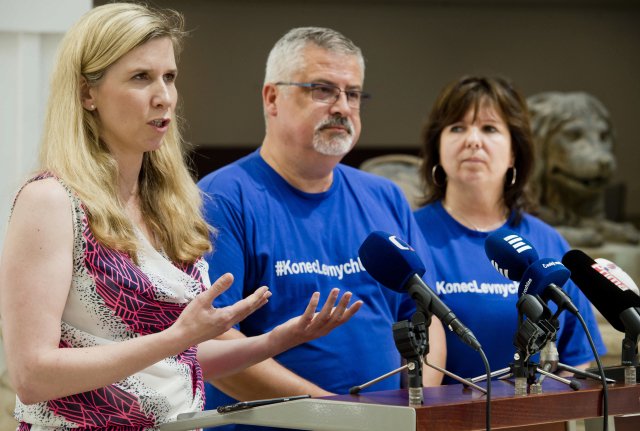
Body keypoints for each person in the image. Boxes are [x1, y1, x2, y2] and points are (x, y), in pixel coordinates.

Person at [0, 4, 361, 430]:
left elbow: (176, 361)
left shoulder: (170, 204)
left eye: (169, 77)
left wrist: (276, 340)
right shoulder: (51, 201)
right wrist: (178, 336)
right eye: (140, 78)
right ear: (86, 93)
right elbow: (32, 376)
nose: (164, 96)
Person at [198, 27, 446, 430]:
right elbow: (214, 348)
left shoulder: (386, 197)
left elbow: (426, 318)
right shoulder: (220, 199)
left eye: (353, 94)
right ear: (272, 98)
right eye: (323, 90)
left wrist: (418, 411)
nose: (343, 107)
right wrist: (334, 416)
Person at [413, 75, 606, 383]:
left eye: (489, 128)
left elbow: (579, 361)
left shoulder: (548, 241)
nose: (473, 140)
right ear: (437, 147)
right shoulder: (411, 235)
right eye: (457, 128)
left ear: (514, 152)